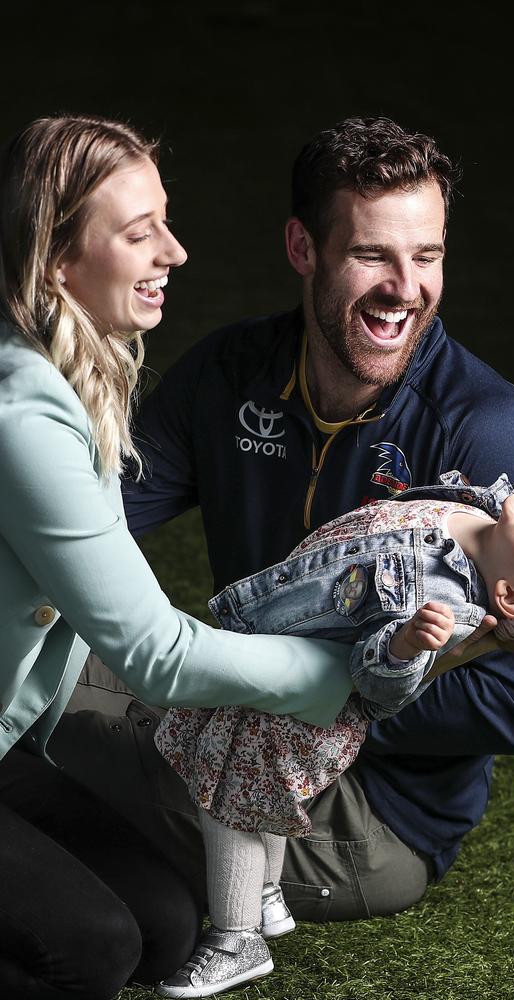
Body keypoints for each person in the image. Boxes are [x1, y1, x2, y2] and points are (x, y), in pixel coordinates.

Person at [52, 116, 514, 927]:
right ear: (304, 249)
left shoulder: (487, 430)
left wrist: (298, 693)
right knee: (42, 653)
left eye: (427, 256)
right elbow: (85, 515)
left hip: (371, 815)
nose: (406, 286)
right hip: (235, 710)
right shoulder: (233, 371)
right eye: (372, 254)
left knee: (59, 735)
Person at [0, 114, 358, 1000]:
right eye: (139, 232)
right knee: (89, 951)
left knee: (164, 928)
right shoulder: (20, 415)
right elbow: (156, 654)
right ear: (54, 261)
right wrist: (333, 675)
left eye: (165, 219)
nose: (177, 251)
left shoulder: (67, 365)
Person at [154, 470, 514, 997]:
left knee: (232, 805)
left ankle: (238, 938)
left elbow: (379, 690)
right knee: (264, 802)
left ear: (510, 598)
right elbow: (491, 499)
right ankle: (268, 893)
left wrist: (405, 649)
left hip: (293, 708)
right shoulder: (484, 525)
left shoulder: (446, 606)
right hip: (276, 668)